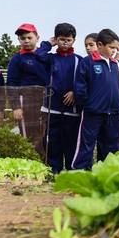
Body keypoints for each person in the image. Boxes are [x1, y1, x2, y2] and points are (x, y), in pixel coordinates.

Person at [72, 29, 119, 170]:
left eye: (116, 48)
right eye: (111, 47)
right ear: (100, 45)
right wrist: (88, 105)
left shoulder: (116, 65)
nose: (114, 51)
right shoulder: (87, 62)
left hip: (113, 114)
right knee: (86, 145)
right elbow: (80, 88)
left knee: (112, 147)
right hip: (93, 113)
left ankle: (107, 173)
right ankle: (80, 173)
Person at [37, 23, 83, 173]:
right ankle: (54, 170)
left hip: (72, 110)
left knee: (70, 141)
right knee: (53, 141)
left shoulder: (79, 60)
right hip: (52, 108)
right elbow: (39, 54)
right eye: (61, 39)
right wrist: (48, 43)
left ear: (74, 40)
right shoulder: (51, 58)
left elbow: (84, 80)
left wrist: (75, 92)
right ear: (56, 39)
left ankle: (70, 170)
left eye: (68, 40)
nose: (65, 42)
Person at [7, 23, 49, 156]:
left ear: (37, 37)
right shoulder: (17, 59)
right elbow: (12, 84)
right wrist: (16, 107)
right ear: (19, 40)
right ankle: (31, 166)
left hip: (47, 101)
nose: (26, 40)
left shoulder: (45, 57)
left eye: (29, 37)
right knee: (29, 137)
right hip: (26, 104)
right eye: (22, 38)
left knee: (46, 135)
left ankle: (48, 166)